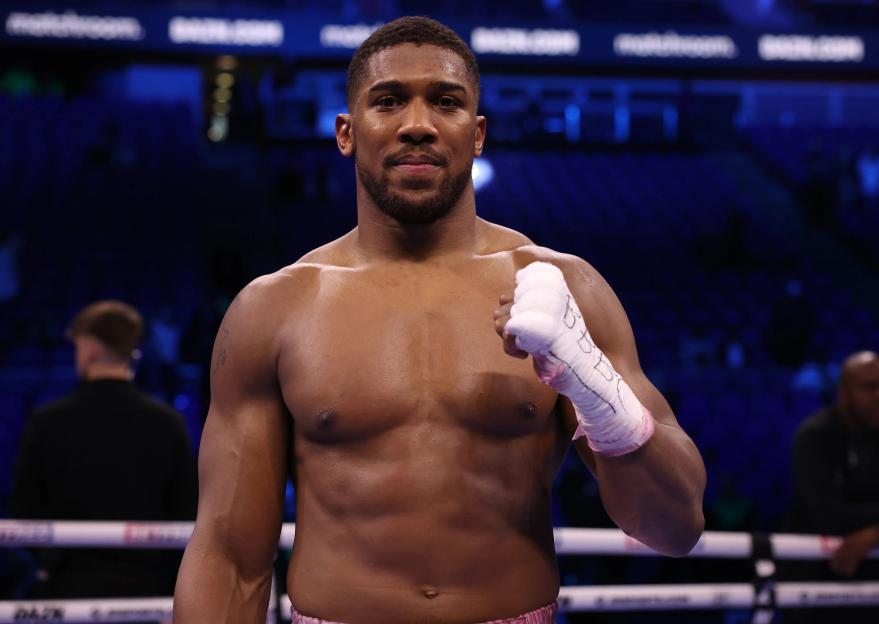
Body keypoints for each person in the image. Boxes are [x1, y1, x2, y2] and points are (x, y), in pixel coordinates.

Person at [174, 17, 706, 624]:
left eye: (446, 102)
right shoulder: (274, 309)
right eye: (389, 100)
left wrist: (592, 382)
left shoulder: (563, 289)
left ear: (476, 134)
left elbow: (675, 528)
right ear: (347, 133)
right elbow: (229, 555)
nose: (419, 124)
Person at [11, 300, 197, 599]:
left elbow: (24, 512)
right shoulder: (167, 422)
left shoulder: (47, 421)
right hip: (147, 592)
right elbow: (187, 512)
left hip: (67, 589)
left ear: (90, 350)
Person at [790, 351, 879, 578]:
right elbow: (830, 516)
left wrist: (874, 534)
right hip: (816, 574)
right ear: (844, 392)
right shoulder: (816, 436)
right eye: (870, 387)